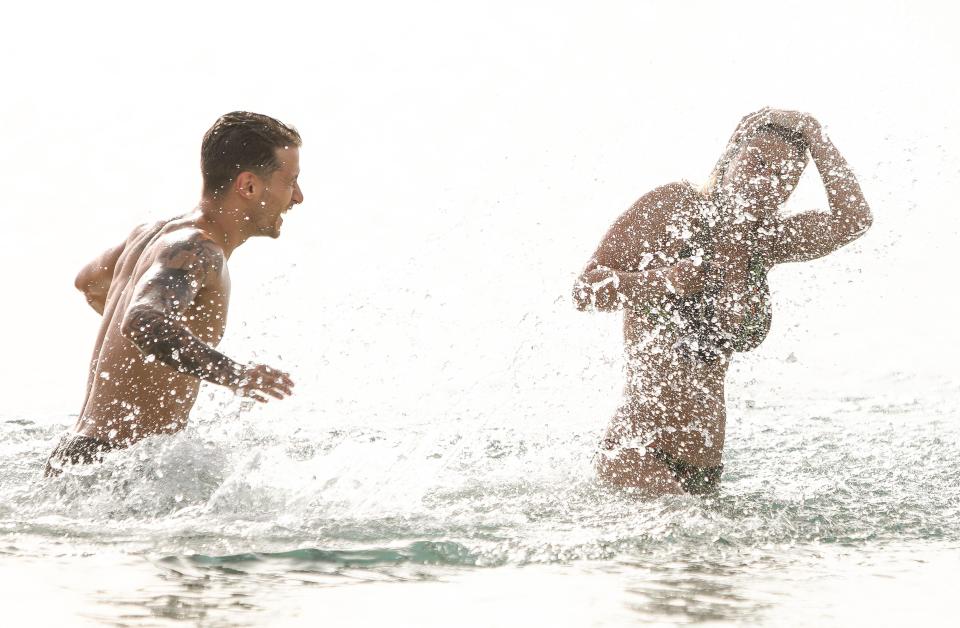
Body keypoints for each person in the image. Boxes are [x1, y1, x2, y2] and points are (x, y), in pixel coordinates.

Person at [572, 108, 873, 496]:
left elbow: (853, 221)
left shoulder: (765, 242)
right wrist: (663, 280)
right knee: (688, 535)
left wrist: (817, 137)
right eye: (758, 162)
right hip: (635, 452)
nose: (767, 180)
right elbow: (584, 291)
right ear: (731, 158)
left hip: (705, 468)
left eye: (784, 176)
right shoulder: (673, 208)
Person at [46, 111, 302, 476]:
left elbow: (90, 282)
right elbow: (143, 320)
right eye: (290, 181)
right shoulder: (199, 250)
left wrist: (140, 370)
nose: (298, 197)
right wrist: (236, 376)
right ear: (248, 186)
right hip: (115, 469)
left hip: (77, 456)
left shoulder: (151, 235)